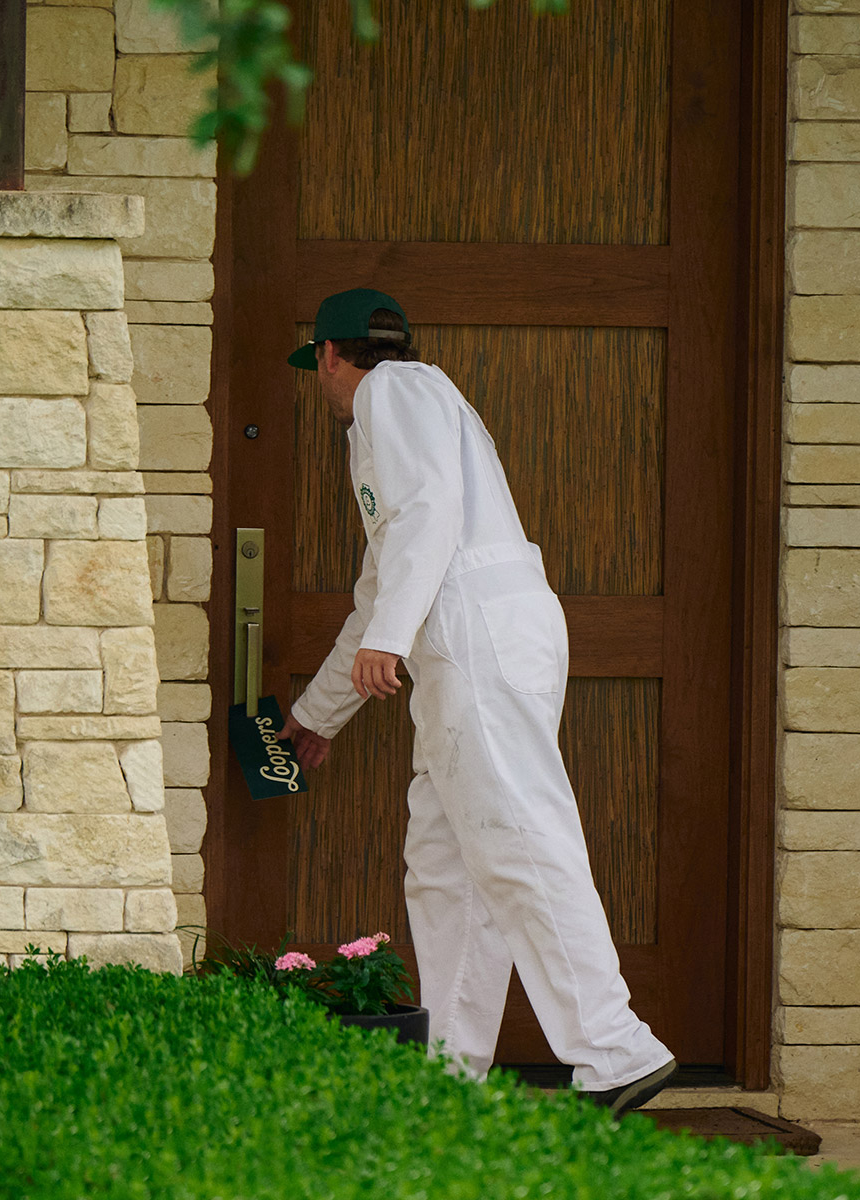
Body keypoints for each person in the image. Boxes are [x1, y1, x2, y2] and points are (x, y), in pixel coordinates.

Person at [277, 288, 677, 1116]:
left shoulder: (397, 391)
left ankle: (614, 1050)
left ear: (328, 355)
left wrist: (390, 637)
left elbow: (428, 517)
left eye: (315, 366)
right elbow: (380, 587)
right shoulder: (416, 411)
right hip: (471, 639)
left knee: (517, 833)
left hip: (473, 636)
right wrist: (316, 718)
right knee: (447, 861)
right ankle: (450, 1077)